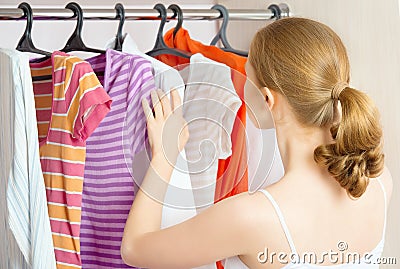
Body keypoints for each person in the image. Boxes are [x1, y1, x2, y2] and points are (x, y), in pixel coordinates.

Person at [120, 17, 393, 269]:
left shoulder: (252, 216)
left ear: (266, 100)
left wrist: (165, 158)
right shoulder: (380, 181)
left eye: (244, 81)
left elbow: (134, 249)